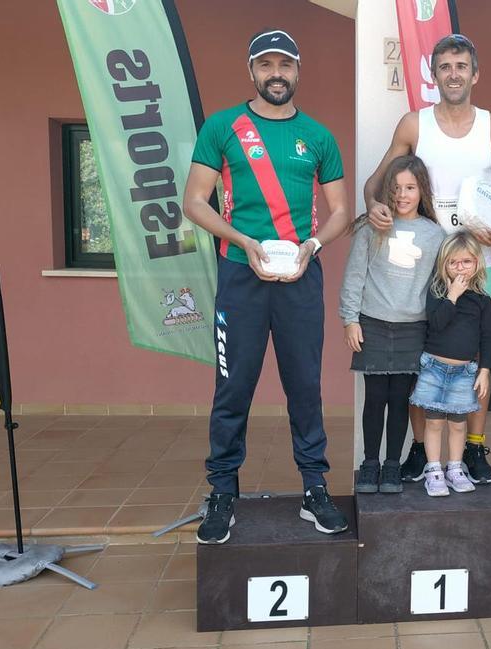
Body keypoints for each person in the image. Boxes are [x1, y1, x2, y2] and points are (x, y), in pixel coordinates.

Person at [183, 29, 350, 544]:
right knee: (233, 386)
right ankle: (223, 491)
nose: (276, 73)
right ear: (251, 70)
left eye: (285, 64)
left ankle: (314, 488)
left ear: (298, 71)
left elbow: (341, 212)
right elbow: (194, 201)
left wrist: (311, 247)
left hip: (301, 276)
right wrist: (243, 242)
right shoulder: (222, 127)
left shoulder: (319, 137)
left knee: (305, 385)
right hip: (241, 273)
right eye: (266, 64)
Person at [364, 34, 491, 485]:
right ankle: (420, 448)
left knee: (474, 353)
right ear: (434, 74)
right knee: (423, 354)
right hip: (423, 261)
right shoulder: (414, 125)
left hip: (476, 260)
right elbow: (377, 182)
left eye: (461, 66)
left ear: (475, 73)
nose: (453, 73)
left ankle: (472, 447)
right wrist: (375, 205)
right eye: (445, 66)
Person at [339, 156, 444, 494]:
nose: (402, 195)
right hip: (373, 322)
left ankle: (392, 466)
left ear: (422, 190)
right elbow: (355, 275)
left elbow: (437, 283)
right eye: (396, 188)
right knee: (375, 397)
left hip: (413, 327)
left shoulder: (435, 234)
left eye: (410, 188)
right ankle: (370, 464)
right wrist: (350, 320)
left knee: (401, 399)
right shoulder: (373, 226)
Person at [409, 232, 491, 497]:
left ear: (477, 263)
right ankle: (434, 471)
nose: (460, 268)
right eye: (453, 263)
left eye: (466, 262)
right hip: (434, 368)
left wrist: (485, 370)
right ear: (443, 265)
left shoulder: (482, 299)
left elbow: (488, 338)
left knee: (458, 424)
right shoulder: (437, 294)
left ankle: (455, 468)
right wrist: (452, 296)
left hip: (464, 372)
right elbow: (437, 323)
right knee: (434, 422)